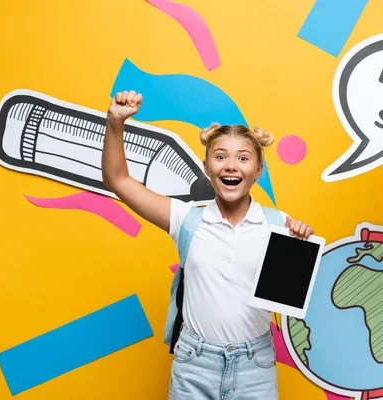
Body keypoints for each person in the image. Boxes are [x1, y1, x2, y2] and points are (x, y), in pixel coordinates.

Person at [102, 90, 315, 400]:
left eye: (243, 158)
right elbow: (117, 179)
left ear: (258, 170)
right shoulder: (186, 219)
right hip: (194, 364)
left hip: (255, 366)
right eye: (220, 156)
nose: (231, 166)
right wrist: (115, 122)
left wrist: (300, 245)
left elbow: (289, 300)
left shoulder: (278, 224)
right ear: (206, 168)